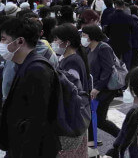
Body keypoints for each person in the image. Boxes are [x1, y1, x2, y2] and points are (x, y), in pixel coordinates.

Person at [0, 17, 61, 157]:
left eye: (3, 39)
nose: (1, 44)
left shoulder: (37, 70)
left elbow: (38, 122)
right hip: (18, 145)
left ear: (20, 41)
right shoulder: (23, 65)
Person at [52, 23, 91, 158]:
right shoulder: (71, 58)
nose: (54, 42)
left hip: (73, 116)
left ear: (66, 42)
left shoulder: (72, 62)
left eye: (56, 39)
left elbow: (71, 90)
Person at [82, 24, 122, 141]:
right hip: (95, 88)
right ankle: (91, 142)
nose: (82, 37)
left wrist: (98, 88)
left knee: (100, 119)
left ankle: (121, 137)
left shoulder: (103, 48)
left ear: (91, 36)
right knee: (91, 115)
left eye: (84, 35)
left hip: (106, 89)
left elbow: (107, 70)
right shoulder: (88, 49)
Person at [104, 0, 135, 69]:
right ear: (123, 6)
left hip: (114, 41)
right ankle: (126, 76)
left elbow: (107, 30)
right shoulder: (128, 17)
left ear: (115, 6)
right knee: (126, 61)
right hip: (126, 41)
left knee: (115, 61)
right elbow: (132, 29)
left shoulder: (110, 16)